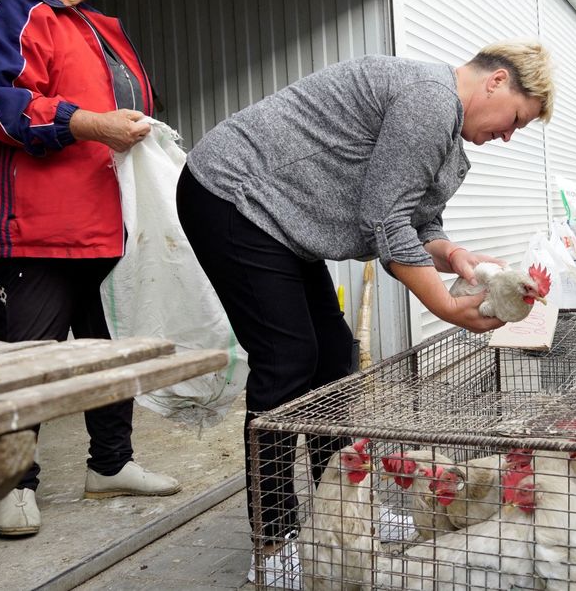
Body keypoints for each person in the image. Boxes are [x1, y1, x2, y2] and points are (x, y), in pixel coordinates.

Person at [175, 42, 554, 553]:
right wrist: (444, 306)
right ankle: (276, 537)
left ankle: (343, 517)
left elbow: (418, 225)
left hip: (281, 220)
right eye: (516, 120)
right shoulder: (430, 99)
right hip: (233, 193)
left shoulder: (447, 130)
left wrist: (456, 254)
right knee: (287, 360)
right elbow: (384, 220)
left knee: (333, 357)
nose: (508, 135)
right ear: (497, 81)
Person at [0, 0, 180, 538]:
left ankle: (111, 463)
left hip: (101, 223)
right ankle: (12, 484)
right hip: (29, 228)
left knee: (108, 348)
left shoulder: (96, 27)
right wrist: (91, 123)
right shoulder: (9, 11)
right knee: (29, 361)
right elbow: (3, 102)